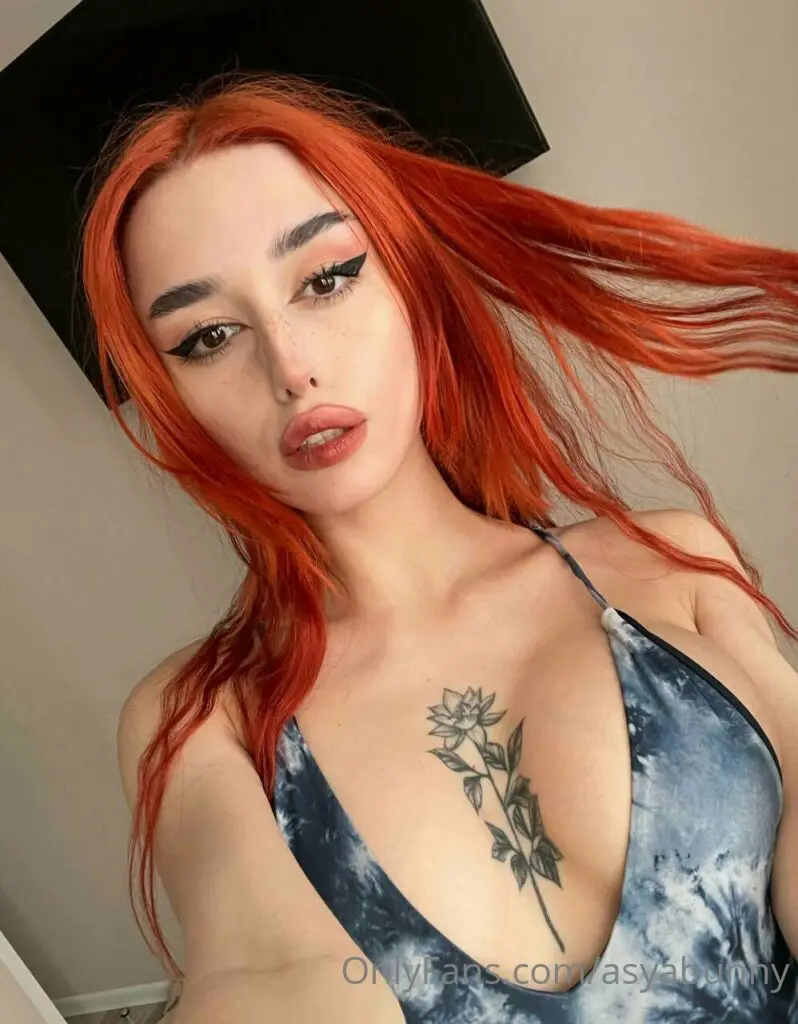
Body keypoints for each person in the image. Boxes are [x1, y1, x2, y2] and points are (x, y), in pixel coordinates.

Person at [80, 73, 798, 1023]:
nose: (291, 367)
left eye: (326, 279)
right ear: (171, 398)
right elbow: (256, 972)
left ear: (408, 281)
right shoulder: (202, 716)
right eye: (209, 335)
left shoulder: (670, 567)